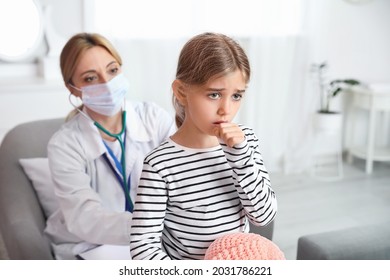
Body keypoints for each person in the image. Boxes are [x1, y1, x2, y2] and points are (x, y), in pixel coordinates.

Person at [129, 32, 277, 260]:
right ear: (181, 92)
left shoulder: (245, 141)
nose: (226, 109)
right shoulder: (159, 164)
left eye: (236, 96)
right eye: (214, 94)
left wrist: (240, 156)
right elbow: (143, 248)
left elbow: (263, 216)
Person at [45, 33, 176, 259]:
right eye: (90, 78)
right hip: (90, 245)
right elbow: (84, 218)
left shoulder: (154, 118)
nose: (106, 83)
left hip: (156, 238)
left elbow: (182, 178)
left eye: (112, 70)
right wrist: (146, 225)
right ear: (73, 89)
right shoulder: (64, 144)